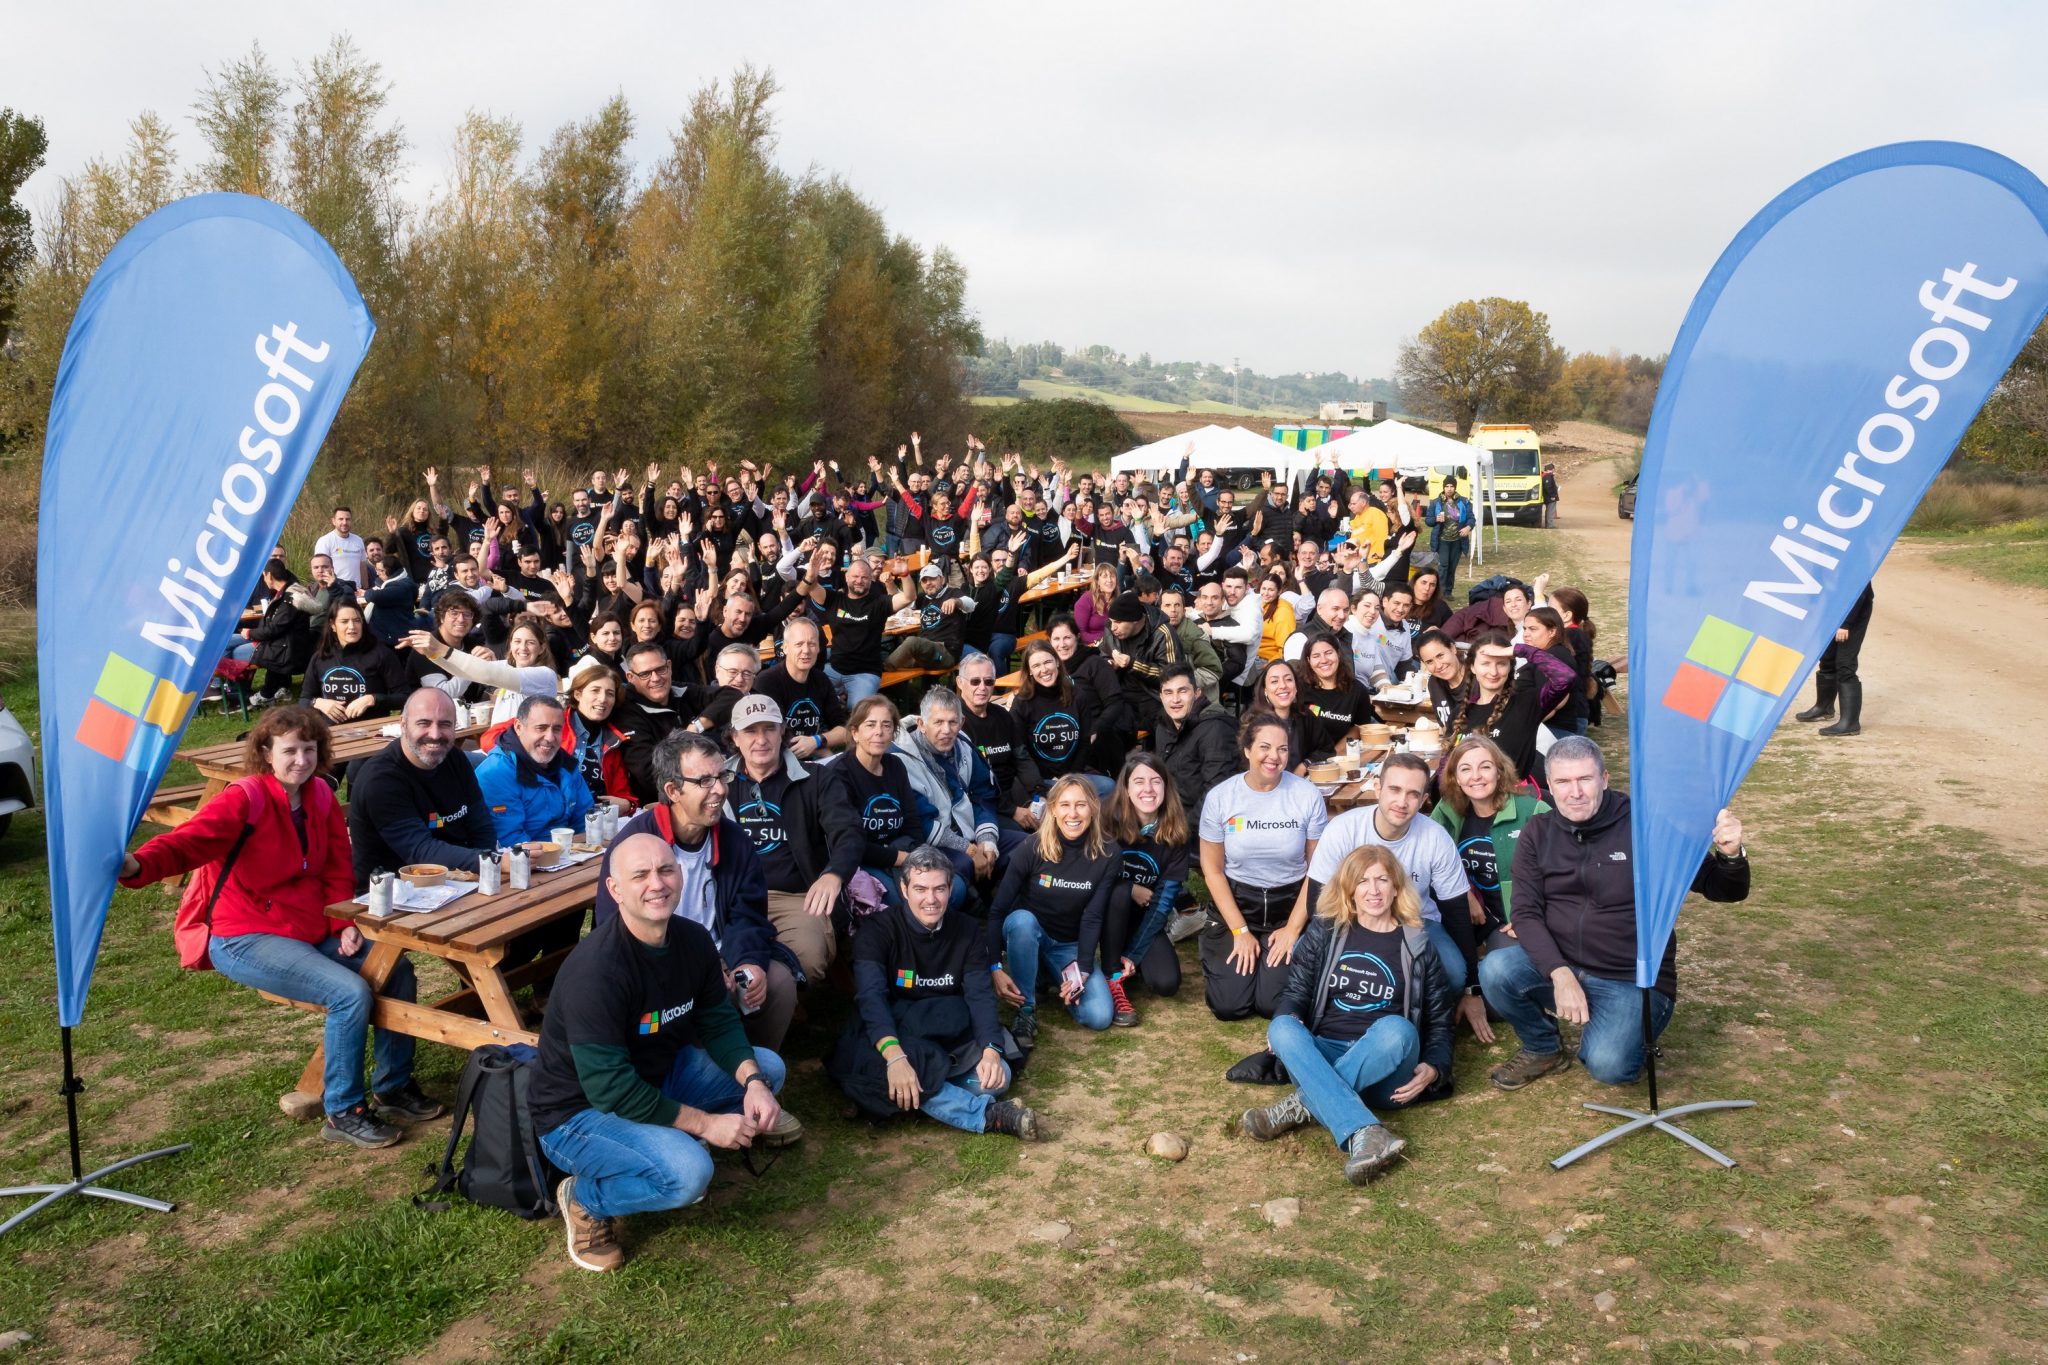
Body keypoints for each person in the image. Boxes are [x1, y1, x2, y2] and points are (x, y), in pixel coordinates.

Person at [118, 706, 441, 1147]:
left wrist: (341, 921)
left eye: (310, 750)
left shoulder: (321, 798)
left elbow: (334, 870)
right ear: (267, 753)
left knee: (396, 969)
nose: (301, 761)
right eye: (290, 750)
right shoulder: (243, 797)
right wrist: (138, 864)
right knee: (348, 993)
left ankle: (394, 1085)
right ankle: (343, 1110)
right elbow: (189, 842)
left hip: (308, 929)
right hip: (243, 936)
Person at [530, 833, 790, 1274]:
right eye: (640, 875)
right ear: (615, 891)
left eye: (666, 870)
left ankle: (668, 1141)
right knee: (690, 1174)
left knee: (769, 1069)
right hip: (579, 1113)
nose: (657, 883)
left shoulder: (690, 940)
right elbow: (612, 1089)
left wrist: (753, 1083)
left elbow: (718, 1022)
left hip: (658, 1075)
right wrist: (706, 1123)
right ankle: (587, 1198)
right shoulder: (595, 971)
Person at [1480, 736, 1749, 1090]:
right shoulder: (1537, 832)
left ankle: (1616, 1030)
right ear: (1549, 785)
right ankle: (1543, 1047)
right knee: (1495, 969)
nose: (1575, 792)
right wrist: (1561, 976)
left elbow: (1724, 889)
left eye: (1585, 779)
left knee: (1609, 1067)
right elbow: (1526, 912)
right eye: (1563, 781)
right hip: (1566, 962)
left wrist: (1731, 854)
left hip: (1631, 977)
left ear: (1604, 779)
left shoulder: (1647, 827)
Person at [1243, 844, 1454, 1184]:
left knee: (1396, 1030)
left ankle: (1300, 1106)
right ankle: (1366, 1133)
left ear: (1396, 887)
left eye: (1382, 880)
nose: (1373, 890)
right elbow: (1294, 994)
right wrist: (1292, 1018)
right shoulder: (1326, 932)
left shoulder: (1418, 945)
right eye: (1363, 881)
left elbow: (1441, 1020)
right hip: (1325, 1053)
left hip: (1388, 1071)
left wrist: (1435, 1067)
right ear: (1348, 889)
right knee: (1282, 1027)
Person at [595, 732, 806, 1061]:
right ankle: (700, 1076)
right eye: (705, 780)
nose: (721, 790)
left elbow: (748, 915)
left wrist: (748, 962)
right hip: (660, 966)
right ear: (672, 791)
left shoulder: (735, 840)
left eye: (722, 776)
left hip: (722, 956)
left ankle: (753, 1071)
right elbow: (615, 929)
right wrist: (696, 972)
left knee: (776, 984)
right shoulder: (635, 846)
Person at [828, 846, 1040, 1139]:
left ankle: (894, 1094)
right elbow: (871, 997)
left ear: (951, 889)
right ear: (903, 889)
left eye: (940, 889)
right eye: (920, 889)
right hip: (895, 1031)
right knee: (883, 1065)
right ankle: (989, 1115)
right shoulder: (877, 931)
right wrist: (895, 1058)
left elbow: (979, 995)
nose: (931, 899)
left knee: (994, 1079)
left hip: (947, 1026)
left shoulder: (966, 930)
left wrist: (991, 1050)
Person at [1197, 713, 1328, 1021]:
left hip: (1289, 906)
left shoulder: (1307, 795)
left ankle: (1274, 957)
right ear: (1247, 749)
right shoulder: (1220, 798)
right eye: (1265, 747)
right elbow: (1212, 869)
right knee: (1229, 1006)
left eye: (1283, 749)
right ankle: (1238, 954)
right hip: (1239, 905)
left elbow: (1318, 869)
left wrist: (1293, 929)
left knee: (1272, 1005)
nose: (1274, 757)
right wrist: (1240, 931)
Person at [723, 693, 859, 983]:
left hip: (797, 896)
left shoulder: (816, 778)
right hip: (731, 895)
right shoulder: (717, 781)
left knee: (807, 961)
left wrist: (833, 875)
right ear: (735, 737)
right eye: (750, 730)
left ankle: (778, 990)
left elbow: (848, 831)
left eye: (769, 728)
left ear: (783, 730)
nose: (761, 739)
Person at [990, 774, 1123, 1046]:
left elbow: (1093, 915)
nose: (1072, 814)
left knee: (1099, 1016)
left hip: (1068, 945)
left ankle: (1044, 974)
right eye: (1064, 805)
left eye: (1080, 805)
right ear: (1052, 809)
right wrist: (993, 966)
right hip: (1030, 934)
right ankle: (1026, 1008)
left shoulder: (1109, 853)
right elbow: (997, 911)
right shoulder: (1031, 847)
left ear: (1094, 808)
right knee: (1022, 921)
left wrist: (1083, 969)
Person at [1430, 737, 1548, 998]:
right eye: (1465, 769)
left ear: (1499, 770)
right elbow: (1426, 860)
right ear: (1455, 778)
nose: (1476, 777)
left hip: (1511, 921)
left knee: (1498, 995)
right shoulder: (1447, 813)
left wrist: (1532, 917)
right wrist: (1465, 893)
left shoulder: (1533, 811)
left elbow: (1562, 873)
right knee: (1441, 975)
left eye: (1485, 767)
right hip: (1464, 918)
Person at [346, 688, 496, 890]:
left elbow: (481, 825)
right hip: (393, 894)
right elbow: (421, 851)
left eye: (445, 724)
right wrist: (488, 861)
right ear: (403, 725)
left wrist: (488, 868)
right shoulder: (380, 780)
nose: (435, 735)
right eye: (424, 723)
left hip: (458, 881)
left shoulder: (455, 758)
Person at [1416, 628, 1574, 790]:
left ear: (1510, 667)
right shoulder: (1459, 714)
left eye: (1501, 663)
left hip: (1511, 802)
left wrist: (1518, 650)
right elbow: (1447, 764)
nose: (1493, 672)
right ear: (1473, 667)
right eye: (1485, 663)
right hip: (1469, 804)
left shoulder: (1526, 703)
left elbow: (1565, 677)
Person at [826, 695, 944, 904]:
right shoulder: (839, 774)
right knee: (903, 900)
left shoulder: (895, 766)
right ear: (855, 733)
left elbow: (912, 822)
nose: (879, 732)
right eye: (870, 725)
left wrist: (914, 855)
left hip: (902, 851)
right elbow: (851, 844)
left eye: (886, 725)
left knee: (954, 889)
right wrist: (903, 859)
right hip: (860, 860)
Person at [893, 687, 1014, 889]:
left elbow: (984, 795)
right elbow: (921, 822)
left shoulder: (963, 744)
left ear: (962, 722)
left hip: (971, 832)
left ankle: (1006, 906)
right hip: (934, 844)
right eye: (938, 722)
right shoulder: (901, 759)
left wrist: (987, 840)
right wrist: (970, 850)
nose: (947, 730)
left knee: (1028, 846)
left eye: (952, 722)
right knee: (960, 875)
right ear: (922, 724)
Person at [1102, 754, 1193, 1017]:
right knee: (1119, 893)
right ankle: (1111, 974)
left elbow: (1164, 901)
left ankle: (1126, 960)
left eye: (1156, 782)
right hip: (1104, 912)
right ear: (1127, 789)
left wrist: (1134, 953)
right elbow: (1092, 879)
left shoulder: (1175, 832)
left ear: (1166, 787)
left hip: (1143, 917)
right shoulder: (1108, 821)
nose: (1148, 789)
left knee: (1167, 983)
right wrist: (1130, 887)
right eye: (1139, 782)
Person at [475, 694, 595, 848]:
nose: (550, 737)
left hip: (571, 855)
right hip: (524, 863)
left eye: (557, 729)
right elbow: (512, 843)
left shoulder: (567, 764)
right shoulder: (495, 773)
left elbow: (586, 821)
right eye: (541, 728)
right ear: (518, 727)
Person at [955, 652, 1042, 834]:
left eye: (988, 682)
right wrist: (1012, 811)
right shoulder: (954, 723)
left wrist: (1040, 794)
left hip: (1013, 791)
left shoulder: (1002, 715)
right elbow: (969, 784)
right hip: (982, 805)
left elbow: (1022, 758)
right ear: (960, 683)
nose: (982, 687)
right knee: (1030, 840)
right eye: (975, 681)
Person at [752, 616, 848, 758]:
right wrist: (820, 750)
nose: (806, 650)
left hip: (813, 752)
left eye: (812, 644)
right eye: (799, 644)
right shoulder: (767, 682)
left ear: (818, 649)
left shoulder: (821, 680)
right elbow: (768, 737)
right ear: (785, 647)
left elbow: (844, 730)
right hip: (778, 759)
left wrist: (816, 741)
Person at [300, 601, 409, 724]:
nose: (352, 626)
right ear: (332, 625)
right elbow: (304, 699)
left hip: (371, 731)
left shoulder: (382, 654)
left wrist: (373, 699)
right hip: (331, 732)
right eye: (344, 621)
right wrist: (318, 702)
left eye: (357, 620)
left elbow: (405, 697)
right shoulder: (320, 657)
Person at [611, 640, 692, 805]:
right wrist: (693, 786)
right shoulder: (626, 712)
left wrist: (699, 725)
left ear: (669, 667)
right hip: (659, 804)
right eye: (645, 674)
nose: (655, 678)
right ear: (631, 677)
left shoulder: (677, 690)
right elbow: (649, 774)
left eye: (660, 669)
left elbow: (728, 696)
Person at [804, 554, 892, 707]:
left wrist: (904, 575)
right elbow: (811, 587)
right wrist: (812, 572)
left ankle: (843, 706)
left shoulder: (878, 603)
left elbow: (908, 597)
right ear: (846, 577)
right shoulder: (835, 599)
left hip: (865, 673)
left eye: (864, 577)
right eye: (855, 576)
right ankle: (836, 707)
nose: (859, 580)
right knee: (809, 694)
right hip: (835, 668)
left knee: (858, 710)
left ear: (871, 579)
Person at [1796, 581, 1875, 737]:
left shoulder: (1857, 558)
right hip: (1831, 607)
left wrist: (1845, 624)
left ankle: (1850, 723)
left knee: (1845, 664)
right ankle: (1824, 707)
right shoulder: (1826, 555)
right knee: (1827, 658)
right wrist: (1812, 603)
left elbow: (1858, 590)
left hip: (1853, 612)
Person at [1244, 659, 1349, 775]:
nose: (1283, 685)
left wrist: (1305, 765)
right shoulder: (1252, 722)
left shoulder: (1305, 716)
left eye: (1288, 679)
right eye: (1274, 681)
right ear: (1265, 690)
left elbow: (1327, 750)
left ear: (1296, 686)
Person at [1152, 664, 1239, 800]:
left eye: (1182, 691)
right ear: (1161, 697)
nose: (1175, 700)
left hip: (1201, 817)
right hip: (1171, 811)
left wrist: (1182, 821)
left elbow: (1217, 793)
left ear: (1197, 694)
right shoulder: (1163, 728)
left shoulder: (1215, 730)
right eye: (1168, 692)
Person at [565, 655, 633, 804]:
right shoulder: (555, 725)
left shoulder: (613, 740)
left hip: (597, 820)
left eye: (610, 693)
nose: (603, 699)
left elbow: (624, 795)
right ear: (577, 694)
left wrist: (628, 804)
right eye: (595, 690)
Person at [1428, 477, 1474, 594]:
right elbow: (1428, 521)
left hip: (1458, 540)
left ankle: (1448, 592)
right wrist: (1436, 519)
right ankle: (1440, 592)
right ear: (1443, 487)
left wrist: (1468, 527)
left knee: (1452, 567)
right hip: (1442, 539)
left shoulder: (1464, 502)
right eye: (1447, 486)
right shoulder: (1436, 502)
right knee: (1443, 566)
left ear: (1455, 487)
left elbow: (1471, 518)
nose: (1449, 489)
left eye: (1451, 486)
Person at [315, 505, 368, 587]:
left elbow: (362, 566)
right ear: (333, 521)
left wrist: (366, 588)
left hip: (356, 591)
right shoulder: (325, 541)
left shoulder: (358, 540)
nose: (344, 522)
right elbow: (320, 569)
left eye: (348, 519)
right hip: (335, 590)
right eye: (341, 519)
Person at [1540, 462, 1560, 528]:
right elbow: (1548, 487)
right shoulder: (1548, 476)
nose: (1553, 471)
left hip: (1546, 496)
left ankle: (1548, 525)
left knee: (1549, 511)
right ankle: (1550, 525)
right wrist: (1553, 496)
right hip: (1549, 497)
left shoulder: (1544, 475)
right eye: (1553, 469)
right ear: (1549, 469)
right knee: (1550, 512)